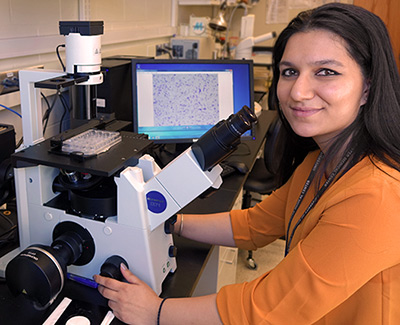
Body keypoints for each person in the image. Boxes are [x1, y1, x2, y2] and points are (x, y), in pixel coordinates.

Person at [94, 3, 400, 324]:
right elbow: (256, 225)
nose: (298, 91)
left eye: (326, 72)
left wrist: (154, 311)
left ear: (367, 86)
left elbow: (269, 309)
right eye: (290, 71)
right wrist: (172, 222)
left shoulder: (376, 195)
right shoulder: (322, 161)